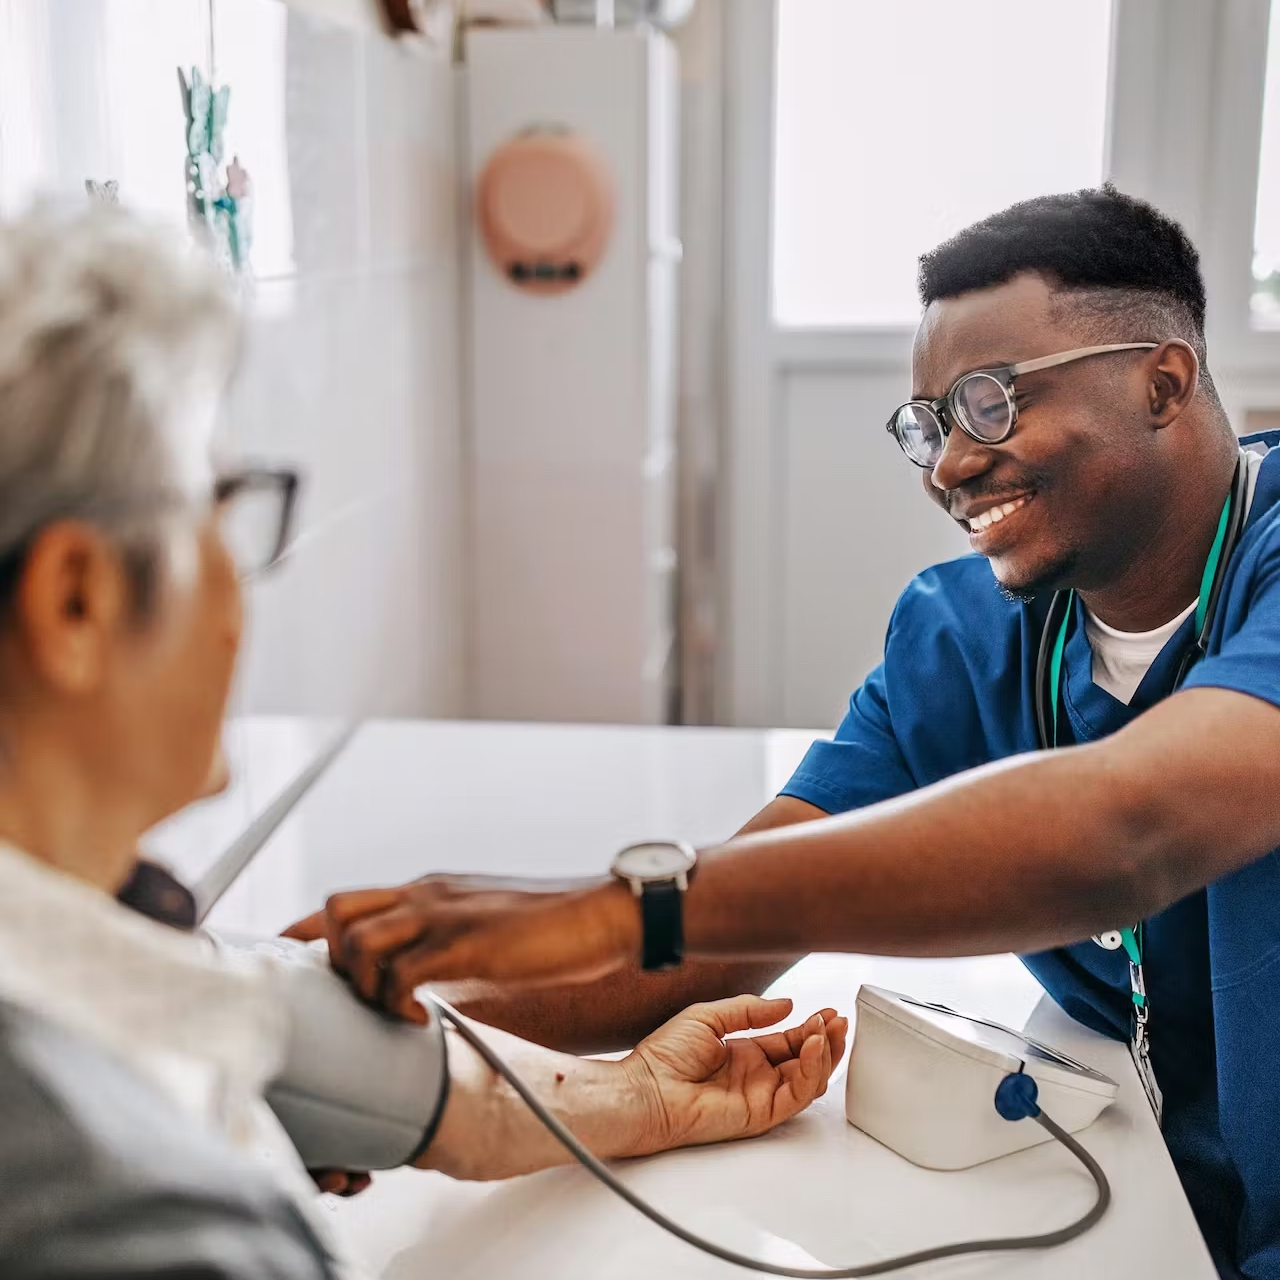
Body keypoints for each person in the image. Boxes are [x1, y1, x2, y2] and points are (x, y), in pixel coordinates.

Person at [294, 185, 1280, 1280]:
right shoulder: (959, 639)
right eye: (930, 423)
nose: (947, 466)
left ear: (1161, 382)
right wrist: (394, 1034)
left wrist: (601, 905)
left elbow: (1128, 828)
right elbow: (723, 936)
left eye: (991, 401)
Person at [0, 203, 847, 1280]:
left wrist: (633, 1095)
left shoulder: (110, 938)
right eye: (217, 508)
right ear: (73, 600)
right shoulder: (134, 1224)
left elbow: (292, 1025)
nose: (237, 581)